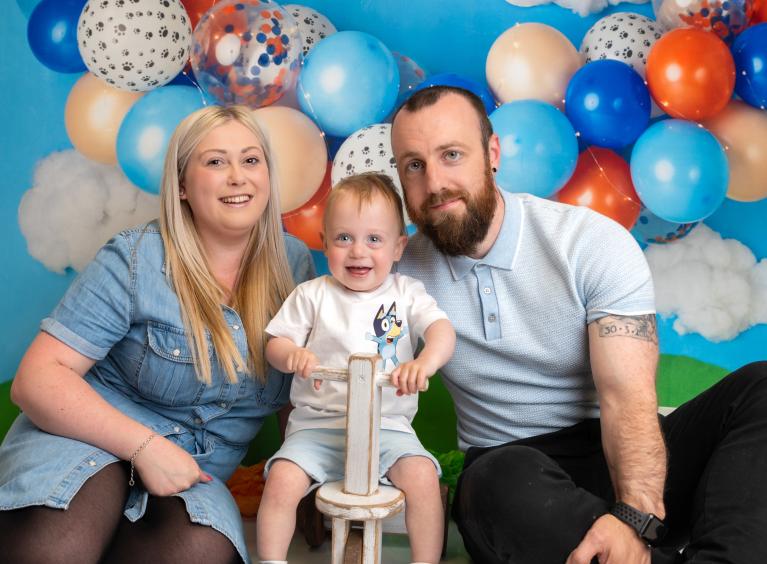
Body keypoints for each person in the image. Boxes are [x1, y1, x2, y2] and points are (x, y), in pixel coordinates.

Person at [390, 85, 767, 564]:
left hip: (617, 448)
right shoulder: (397, 273)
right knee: (491, 479)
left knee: (761, 385)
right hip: (517, 477)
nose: (436, 183)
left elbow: (625, 397)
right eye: (414, 166)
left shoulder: (588, 242)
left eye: (451, 155)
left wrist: (633, 517)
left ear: (492, 153)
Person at [0, 105, 315, 563]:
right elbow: (37, 379)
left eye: (251, 160)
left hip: (194, 474)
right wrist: (144, 447)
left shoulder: (295, 265)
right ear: (182, 185)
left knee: (198, 549)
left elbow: (295, 394)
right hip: (87, 437)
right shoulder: (136, 258)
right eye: (215, 161)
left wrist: (304, 485)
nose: (237, 177)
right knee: (59, 541)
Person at [256, 173, 456, 564]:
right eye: (344, 238)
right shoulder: (312, 295)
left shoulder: (405, 294)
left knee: (422, 477)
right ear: (324, 241)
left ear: (399, 247)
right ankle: (270, 560)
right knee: (281, 481)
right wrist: (290, 355)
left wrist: (424, 362)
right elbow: (274, 344)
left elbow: (441, 330)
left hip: (388, 429)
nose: (358, 252)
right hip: (318, 427)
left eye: (374, 239)